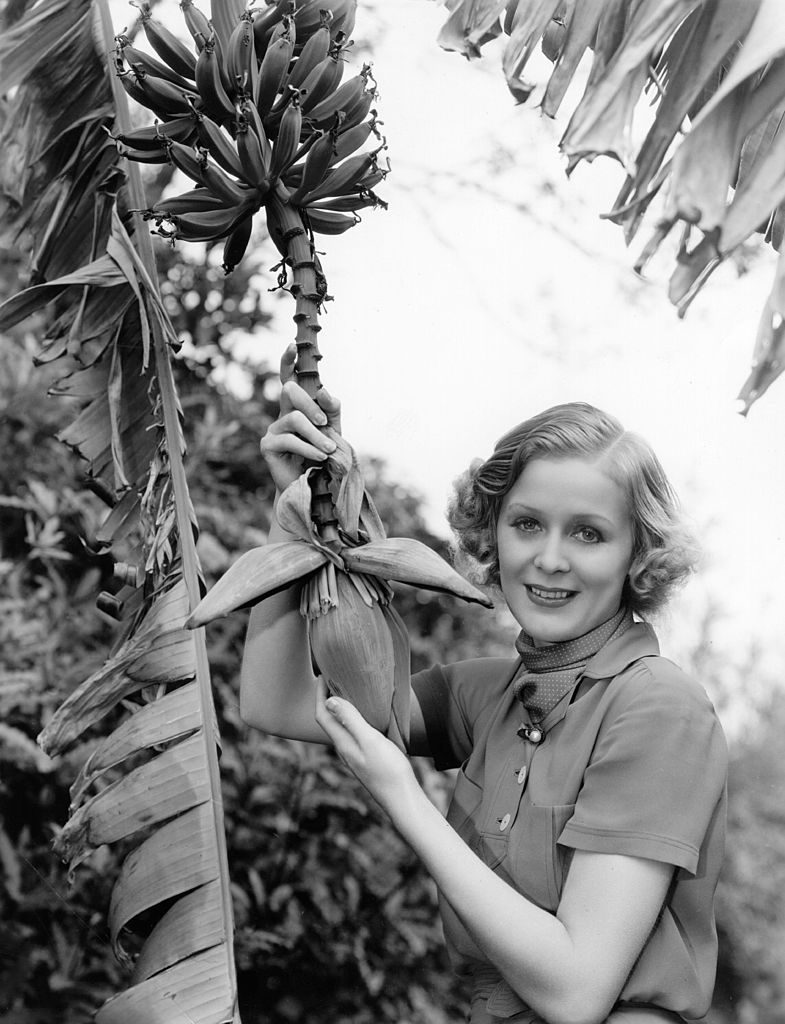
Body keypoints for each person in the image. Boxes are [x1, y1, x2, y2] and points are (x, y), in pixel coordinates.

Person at [241, 346, 728, 1024]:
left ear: (635, 556)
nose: (549, 559)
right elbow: (277, 703)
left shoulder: (658, 707)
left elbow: (576, 991)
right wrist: (297, 511)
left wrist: (400, 797)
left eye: (588, 534)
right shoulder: (486, 695)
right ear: (493, 534)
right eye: (526, 523)